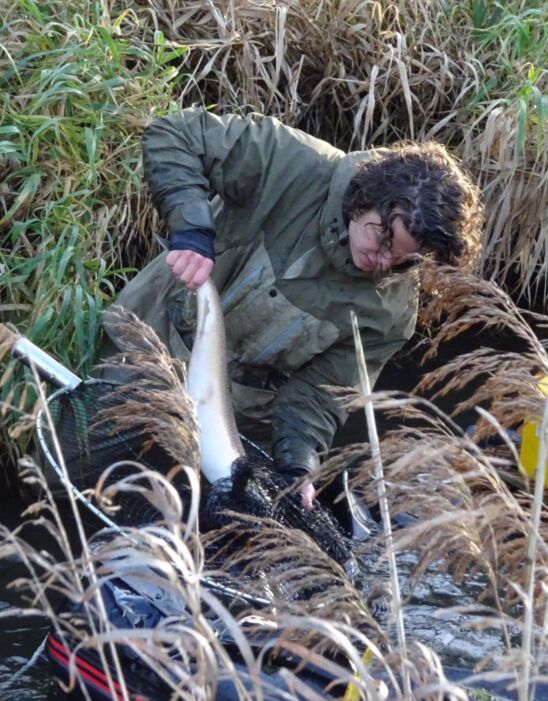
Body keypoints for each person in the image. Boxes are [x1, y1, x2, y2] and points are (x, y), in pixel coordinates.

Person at [99, 108, 482, 508]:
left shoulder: (392, 313)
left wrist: (298, 466)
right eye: (383, 239)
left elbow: (318, 397)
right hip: (145, 344)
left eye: (403, 258)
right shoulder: (293, 162)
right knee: (86, 472)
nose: (383, 261)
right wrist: (191, 230)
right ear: (365, 199)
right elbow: (174, 133)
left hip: (227, 421)